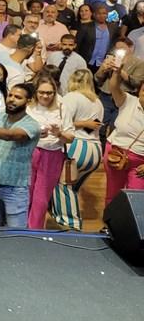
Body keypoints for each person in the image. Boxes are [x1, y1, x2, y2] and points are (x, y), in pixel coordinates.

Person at [50, 69, 104, 230]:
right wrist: (84, 123)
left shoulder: (71, 97)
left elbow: (63, 123)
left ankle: (70, 224)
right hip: (95, 150)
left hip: (77, 147)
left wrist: (81, 123)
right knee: (72, 187)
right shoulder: (98, 102)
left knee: (63, 185)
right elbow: (94, 125)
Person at [0, 83, 41, 228]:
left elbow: (10, 135)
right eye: (10, 95)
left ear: (28, 101)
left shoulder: (32, 125)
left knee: (16, 234)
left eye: (18, 97)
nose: (12, 99)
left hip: (15, 189)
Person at [101, 54, 144, 206]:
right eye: (143, 91)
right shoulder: (128, 101)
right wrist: (117, 72)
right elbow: (114, 86)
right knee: (113, 194)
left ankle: (132, 223)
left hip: (140, 162)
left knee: (137, 198)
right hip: (115, 154)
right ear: (139, 91)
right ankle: (110, 221)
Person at [26, 74, 66, 229]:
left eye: (49, 93)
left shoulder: (62, 108)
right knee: (25, 193)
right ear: (36, 92)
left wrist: (58, 133)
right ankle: (20, 227)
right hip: (29, 151)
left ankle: (34, 231)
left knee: (41, 198)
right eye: (42, 92)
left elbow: (70, 137)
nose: (45, 96)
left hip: (52, 154)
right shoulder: (28, 108)